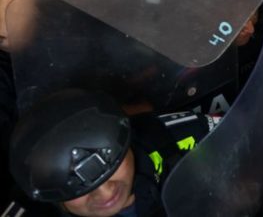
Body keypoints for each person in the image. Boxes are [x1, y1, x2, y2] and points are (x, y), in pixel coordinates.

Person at [8, 89, 214, 217]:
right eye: (79, 190)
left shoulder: (172, 135)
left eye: (112, 167)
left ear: (126, 139)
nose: (106, 193)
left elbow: (242, 143)